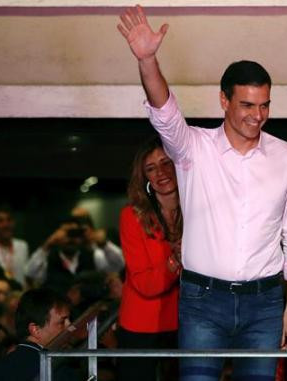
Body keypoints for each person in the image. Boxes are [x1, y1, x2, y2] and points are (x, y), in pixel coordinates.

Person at [117, 6, 287, 380]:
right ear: (224, 101)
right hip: (202, 301)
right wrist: (148, 61)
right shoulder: (193, 147)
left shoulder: (286, 156)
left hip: (266, 303)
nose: (258, 115)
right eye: (247, 105)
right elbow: (165, 111)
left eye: (265, 105)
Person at [117, 137, 182, 381]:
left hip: (187, 323)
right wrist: (176, 261)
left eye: (166, 163)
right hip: (140, 326)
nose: (161, 173)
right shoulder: (131, 216)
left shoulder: (197, 209)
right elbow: (145, 284)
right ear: (144, 177)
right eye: (151, 168)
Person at [0, 288, 77, 381]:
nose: (71, 327)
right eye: (62, 322)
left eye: (69, 320)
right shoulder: (54, 370)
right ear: (35, 330)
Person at [25, 217, 122, 294]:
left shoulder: (93, 255)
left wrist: (103, 244)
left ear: (81, 235)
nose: (71, 239)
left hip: (88, 313)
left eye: (74, 233)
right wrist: (47, 244)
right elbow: (29, 272)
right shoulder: (48, 259)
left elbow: (119, 265)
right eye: (66, 234)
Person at [0, 208, 30, 288]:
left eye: (9, 220)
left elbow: (27, 276)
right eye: (0, 221)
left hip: (20, 294)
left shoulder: (23, 246)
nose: (6, 225)